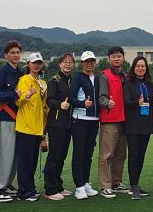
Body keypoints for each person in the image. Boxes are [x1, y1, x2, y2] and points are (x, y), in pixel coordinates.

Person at [0, 40, 24, 202]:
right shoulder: (2, 72)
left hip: (20, 118)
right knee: (5, 153)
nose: (16, 55)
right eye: (12, 53)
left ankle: (7, 184)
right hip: (6, 117)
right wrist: (13, 95)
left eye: (18, 53)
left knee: (15, 154)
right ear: (6, 55)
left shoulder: (21, 73)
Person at [15, 53, 48, 202]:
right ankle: (23, 191)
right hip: (26, 127)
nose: (36, 65)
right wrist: (27, 95)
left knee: (32, 160)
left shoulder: (42, 83)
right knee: (25, 161)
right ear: (28, 64)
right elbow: (18, 101)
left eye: (39, 63)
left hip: (37, 127)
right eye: (34, 62)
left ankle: (30, 187)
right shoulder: (24, 80)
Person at [122, 56, 153, 200]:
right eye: (137, 66)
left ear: (146, 68)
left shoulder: (150, 84)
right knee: (134, 155)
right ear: (133, 68)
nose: (140, 69)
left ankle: (136, 184)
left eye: (143, 66)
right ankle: (133, 186)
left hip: (146, 124)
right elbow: (126, 102)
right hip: (132, 124)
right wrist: (137, 102)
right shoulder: (128, 84)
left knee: (141, 155)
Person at [98, 46, 129, 198]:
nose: (116, 59)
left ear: (123, 58)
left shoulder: (126, 77)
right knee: (106, 155)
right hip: (109, 120)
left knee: (120, 154)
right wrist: (107, 103)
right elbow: (101, 97)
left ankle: (117, 182)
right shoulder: (105, 75)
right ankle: (105, 185)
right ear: (109, 59)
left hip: (124, 120)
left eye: (119, 56)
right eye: (113, 56)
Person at [69, 51, 100, 200]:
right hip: (80, 118)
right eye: (86, 61)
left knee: (88, 153)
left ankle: (86, 183)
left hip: (94, 119)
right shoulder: (78, 77)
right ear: (81, 63)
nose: (89, 63)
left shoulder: (97, 78)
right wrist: (83, 104)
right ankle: (79, 186)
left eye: (92, 61)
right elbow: (71, 98)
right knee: (79, 153)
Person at [44, 53, 74, 200]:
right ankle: (49, 189)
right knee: (54, 156)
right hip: (56, 124)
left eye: (70, 62)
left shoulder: (72, 81)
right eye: (65, 61)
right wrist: (59, 105)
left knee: (62, 156)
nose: (68, 64)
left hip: (68, 124)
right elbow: (49, 100)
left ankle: (58, 185)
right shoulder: (54, 81)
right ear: (60, 64)